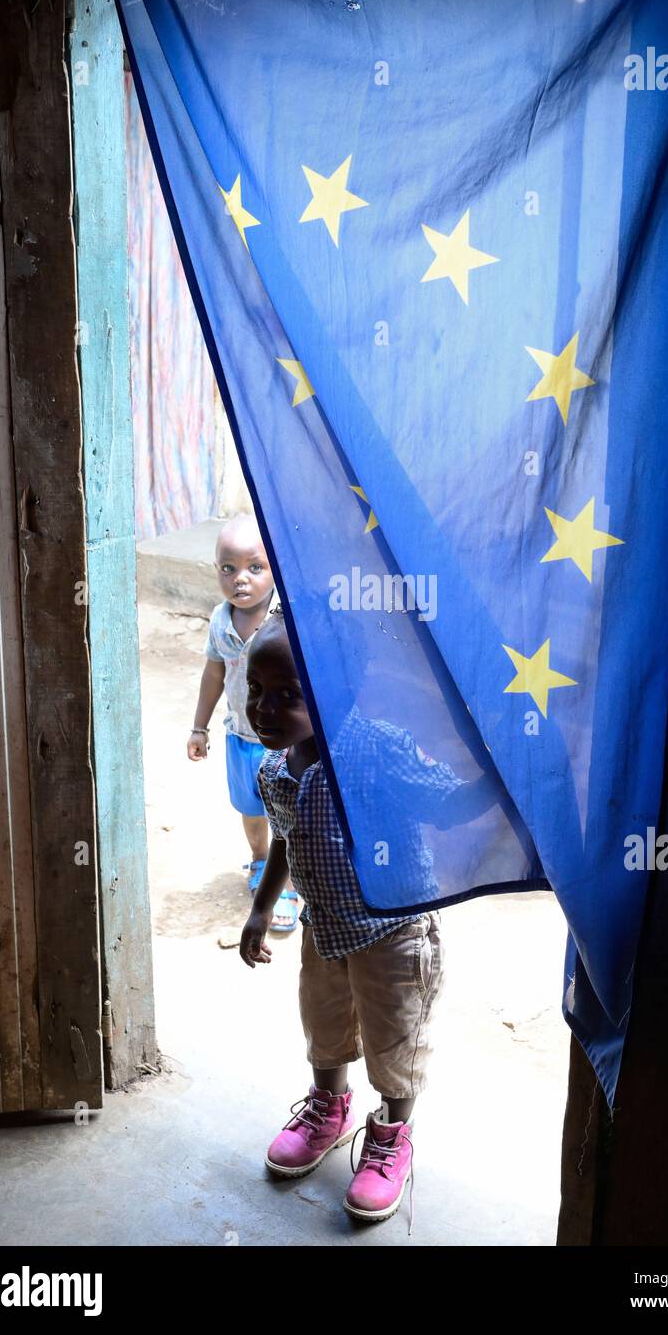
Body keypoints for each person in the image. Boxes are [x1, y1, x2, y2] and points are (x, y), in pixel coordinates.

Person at [239, 608, 455, 1230]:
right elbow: (286, 836)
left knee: (396, 1037)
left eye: (288, 695)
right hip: (324, 927)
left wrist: (496, 792)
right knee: (324, 1022)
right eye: (256, 690)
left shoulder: (378, 747)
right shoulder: (275, 768)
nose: (265, 709)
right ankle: (328, 1108)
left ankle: (392, 1133)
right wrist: (260, 909)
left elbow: (441, 796)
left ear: (338, 689)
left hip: (394, 931)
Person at [187, 514, 297, 932]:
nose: (241, 579)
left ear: (274, 568)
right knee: (251, 809)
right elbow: (213, 675)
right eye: (228, 568)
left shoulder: (285, 618)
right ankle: (260, 859)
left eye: (255, 567)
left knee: (289, 813)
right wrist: (200, 727)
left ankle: (289, 881)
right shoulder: (219, 620)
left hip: (284, 741)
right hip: (241, 736)